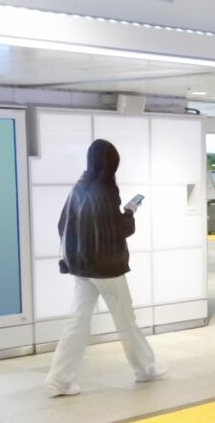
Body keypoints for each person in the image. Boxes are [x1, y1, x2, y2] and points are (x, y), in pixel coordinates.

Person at [45, 139, 167, 397]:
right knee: (126, 319)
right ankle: (145, 368)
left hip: (81, 267)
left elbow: (62, 225)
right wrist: (130, 211)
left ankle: (59, 380)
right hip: (107, 268)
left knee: (77, 321)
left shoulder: (78, 187)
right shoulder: (106, 189)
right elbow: (120, 229)